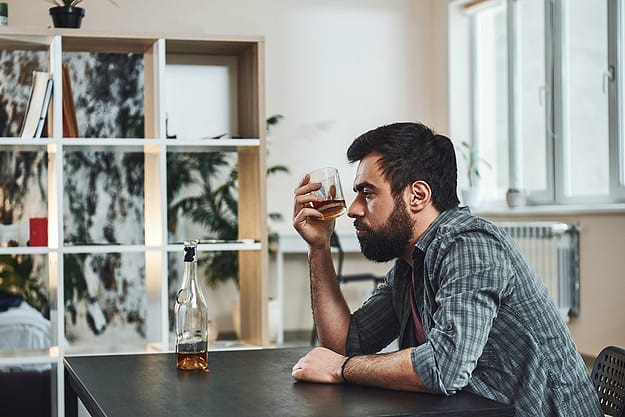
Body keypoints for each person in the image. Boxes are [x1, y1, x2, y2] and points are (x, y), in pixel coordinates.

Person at [290, 122, 602, 417]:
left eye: (367, 193)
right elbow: (346, 343)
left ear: (418, 196)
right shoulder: (410, 264)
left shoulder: (469, 246)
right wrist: (319, 248)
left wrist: (343, 369)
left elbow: (444, 367)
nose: (354, 209)